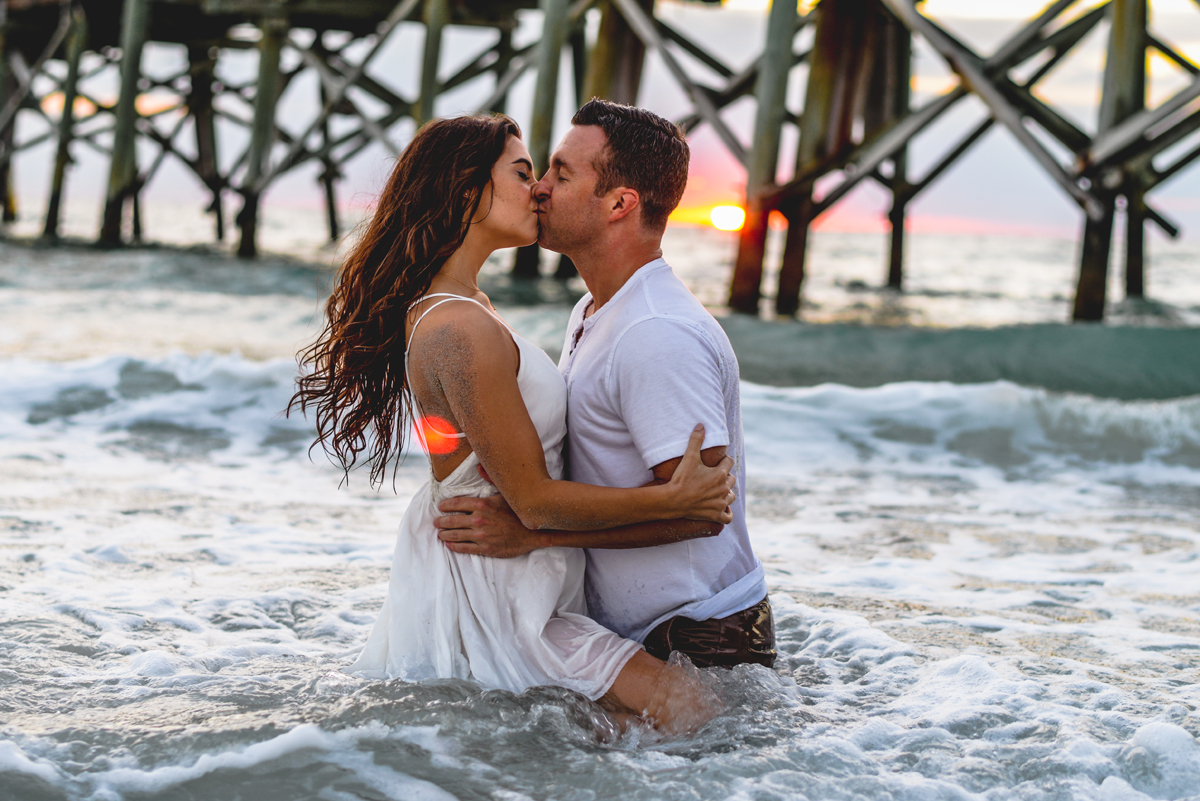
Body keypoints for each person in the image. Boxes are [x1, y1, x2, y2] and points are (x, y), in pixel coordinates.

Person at [289, 113, 733, 732]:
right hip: (499, 588)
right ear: (468, 191)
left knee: (615, 742)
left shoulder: (474, 308)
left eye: (550, 172)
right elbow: (532, 501)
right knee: (692, 715)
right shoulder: (458, 326)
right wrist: (673, 497)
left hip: (519, 576)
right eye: (525, 173)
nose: (540, 189)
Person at [434, 99, 776, 670]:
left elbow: (701, 510)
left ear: (620, 203)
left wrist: (535, 534)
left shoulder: (656, 333)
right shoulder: (597, 309)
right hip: (649, 632)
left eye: (561, 174)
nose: (539, 188)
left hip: (696, 636)